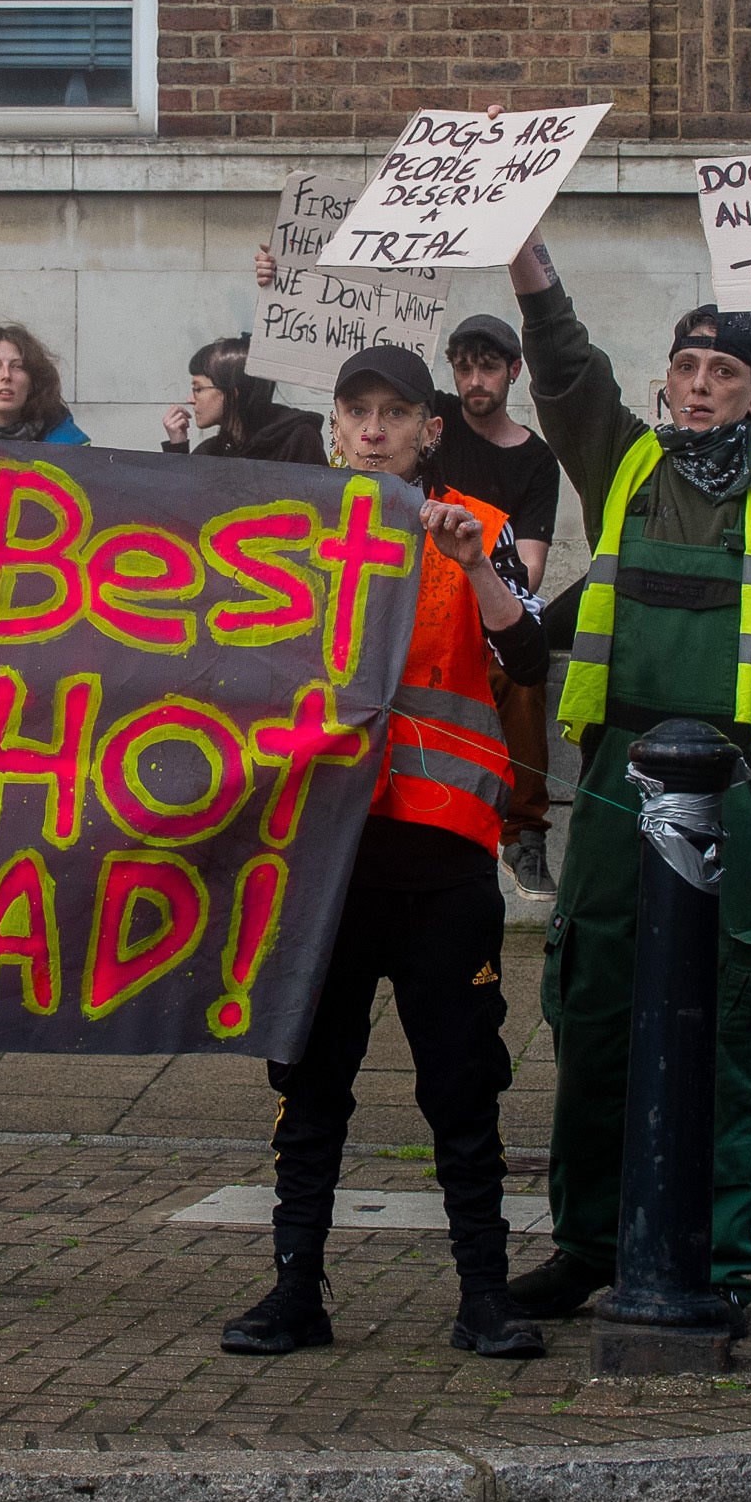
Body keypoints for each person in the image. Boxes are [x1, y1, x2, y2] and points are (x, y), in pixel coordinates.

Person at [500, 122, 751, 1333]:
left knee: (725, 1022)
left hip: (747, 793)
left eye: (727, 368)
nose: (703, 381)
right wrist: (519, 238)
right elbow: (561, 364)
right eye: (688, 365)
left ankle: (717, 1252)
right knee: (596, 1004)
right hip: (620, 783)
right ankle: (586, 1239)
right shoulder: (621, 461)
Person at [221, 344, 549, 1363]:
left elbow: (531, 655)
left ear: (427, 430)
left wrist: (473, 568)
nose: (373, 427)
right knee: (309, 1079)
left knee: (462, 1081)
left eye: (393, 412)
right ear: (334, 425)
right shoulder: (287, 538)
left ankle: (485, 1293)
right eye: (356, 410)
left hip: (440, 857)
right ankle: (294, 1288)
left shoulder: (478, 530)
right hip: (319, 857)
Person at [434, 313, 563, 899]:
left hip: (492, 596)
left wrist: (481, 574)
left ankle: (526, 834)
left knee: (522, 669)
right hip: (422, 597)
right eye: (464, 368)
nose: (475, 380)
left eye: (488, 367)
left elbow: (530, 569)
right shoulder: (434, 427)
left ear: (515, 371)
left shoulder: (536, 460)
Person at [161, 334, 326, 465]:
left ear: (232, 393)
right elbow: (182, 503)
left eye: (198, 389)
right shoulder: (212, 451)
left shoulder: (297, 438)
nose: (190, 399)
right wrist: (178, 448)